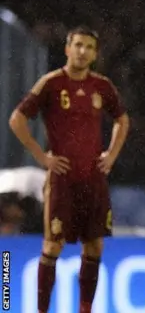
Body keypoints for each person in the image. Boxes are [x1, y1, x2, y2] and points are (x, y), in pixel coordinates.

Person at [9, 26, 130, 313]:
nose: (82, 51)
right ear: (67, 49)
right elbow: (17, 119)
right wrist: (43, 157)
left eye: (89, 47)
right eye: (78, 45)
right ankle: (41, 310)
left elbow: (122, 119)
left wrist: (111, 155)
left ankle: (85, 309)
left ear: (95, 54)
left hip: (93, 179)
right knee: (52, 246)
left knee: (94, 247)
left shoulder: (102, 86)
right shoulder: (51, 83)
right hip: (62, 179)